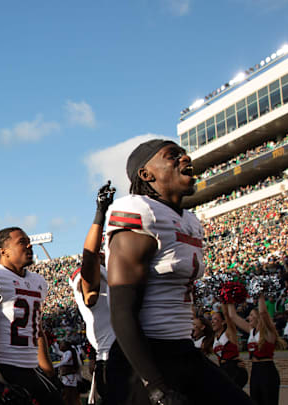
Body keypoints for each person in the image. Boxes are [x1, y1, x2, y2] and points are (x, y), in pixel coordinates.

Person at [105, 139, 252, 405]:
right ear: (146, 174)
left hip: (183, 349)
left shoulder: (190, 220)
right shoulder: (141, 211)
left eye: (183, 153)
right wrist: (155, 386)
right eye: (172, 155)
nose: (185, 158)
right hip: (144, 358)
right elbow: (122, 310)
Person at [0, 227, 62, 405]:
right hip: (5, 366)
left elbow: (38, 331)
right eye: (21, 242)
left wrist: (48, 369)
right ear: (4, 252)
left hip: (32, 368)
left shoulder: (38, 282)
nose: (29, 245)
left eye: (28, 240)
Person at [68, 181, 116, 404]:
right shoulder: (94, 273)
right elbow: (89, 264)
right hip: (114, 359)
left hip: (142, 353)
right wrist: (100, 213)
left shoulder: (124, 270)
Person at [227, 296, 286, 405]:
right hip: (255, 370)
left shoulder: (268, 331)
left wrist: (260, 295)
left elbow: (263, 312)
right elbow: (233, 316)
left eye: (251, 315)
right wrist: (228, 297)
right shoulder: (251, 331)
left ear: (258, 318)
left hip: (267, 370)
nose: (249, 318)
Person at [210, 308, 247, 388]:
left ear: (223, 322)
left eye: (215, 319)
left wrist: (226, 298)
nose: (212, 321)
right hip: (224, 369)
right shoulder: (215, 338)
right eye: (212, 319)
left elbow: (228, 316)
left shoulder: (229, 333)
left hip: (234, 370)